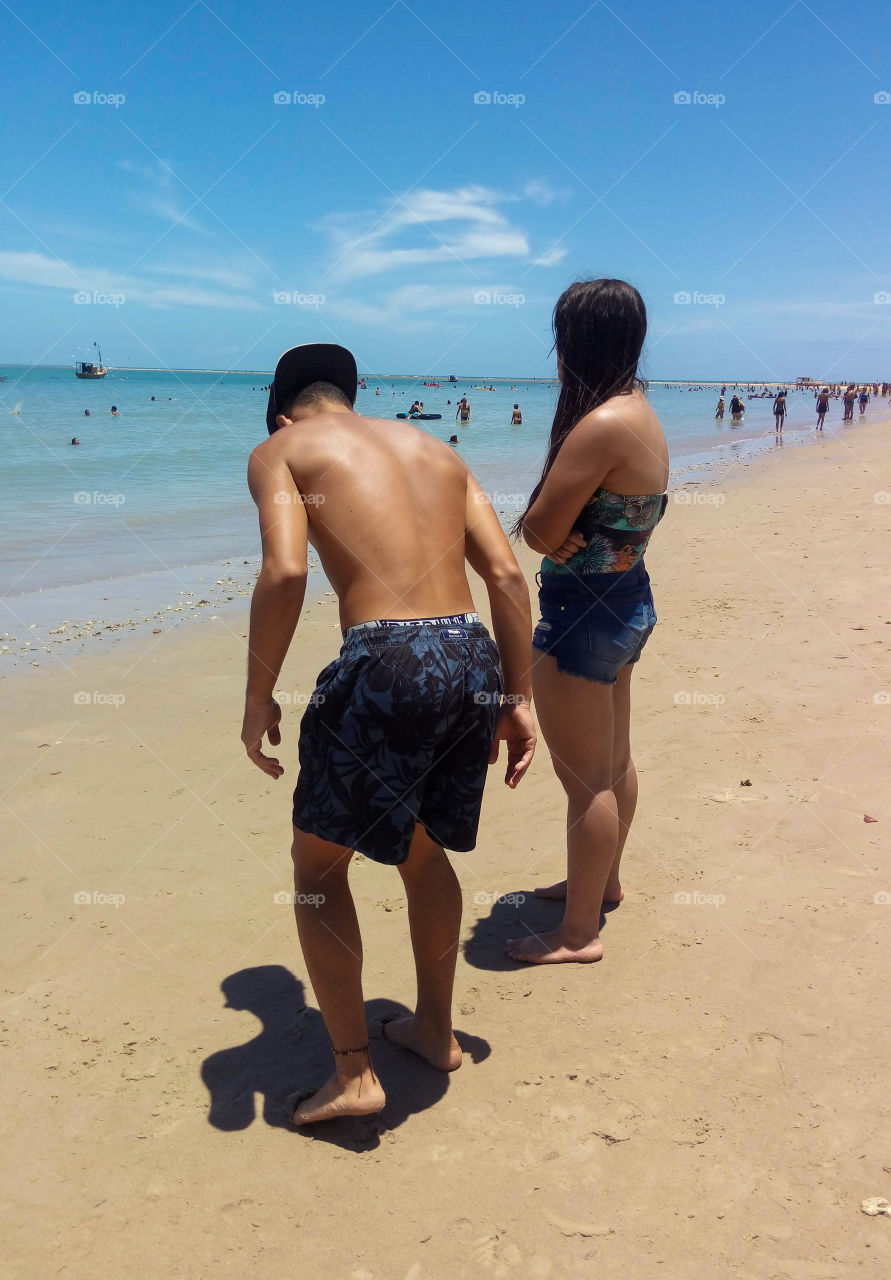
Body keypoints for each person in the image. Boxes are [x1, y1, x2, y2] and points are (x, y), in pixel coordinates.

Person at [242, 343, 536, 1122]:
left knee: (317, 868)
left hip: (387, 658)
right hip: (470, 653)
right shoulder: (434, 449)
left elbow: (285, 572)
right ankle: (436, 1030)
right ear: (348, 398)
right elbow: (508, 577)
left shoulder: (280, 451)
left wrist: (259, 696)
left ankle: (353, 1076)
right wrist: (518, 697)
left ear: (283, 415)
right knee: (423, 850)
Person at [510, 279, 669, 965]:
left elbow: (540, 529)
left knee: (586, 782)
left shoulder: (601, 422)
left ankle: (578, 934)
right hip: (627, 603)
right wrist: (559, 529)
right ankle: (601, 884)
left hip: (583, 614)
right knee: (612, 764)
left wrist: (546, 529)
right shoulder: (640, 412)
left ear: (574, 343)